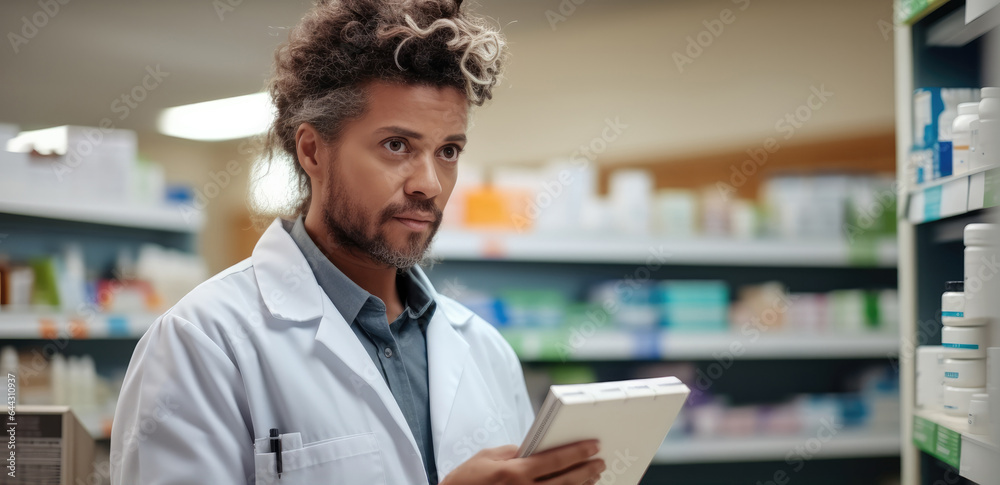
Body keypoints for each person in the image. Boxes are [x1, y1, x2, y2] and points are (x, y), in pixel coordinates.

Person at [110, 1, 606, 483]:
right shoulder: (202, 343)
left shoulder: (486, 351)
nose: (429, 184)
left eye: (449, 151)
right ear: (312, 151)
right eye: (397, 145)